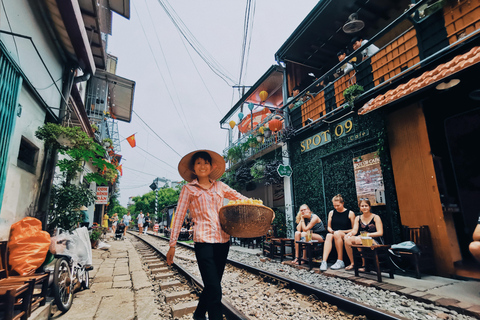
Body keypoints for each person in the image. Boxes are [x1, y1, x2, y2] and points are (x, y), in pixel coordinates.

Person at [166, 149, 250, 320]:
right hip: (203, 242)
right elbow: (180, 216)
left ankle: (198, 314)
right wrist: (172, 245)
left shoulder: (220, 186)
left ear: (212, 167)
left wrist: (255, 205)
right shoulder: (188, 189)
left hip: (222, 240)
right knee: (214, 288)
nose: (202, 166)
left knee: (213, 285)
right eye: (198, 163)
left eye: (206, 162)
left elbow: (240, 198)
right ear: (193, 168)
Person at [344, 198, 384, 271]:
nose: (364, 207)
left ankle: (365, 265)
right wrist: (349, 234)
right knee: (347, 239)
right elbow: (355, 231)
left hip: (374, 240)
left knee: (359, 239)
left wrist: (367, 235)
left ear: (369, 207)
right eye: (362, 206)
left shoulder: (376, 217)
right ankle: (352, 263)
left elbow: (380, 233)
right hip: (362, 238)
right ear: (359, 207)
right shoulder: (358, 218)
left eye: (366, 206)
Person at [320, 194, 355, 271]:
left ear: (342, 203)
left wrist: (340, 231)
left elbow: (353, 229)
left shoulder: (350, 213)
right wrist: (332, 231)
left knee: (337, 233)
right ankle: (324, 261)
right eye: (334, 205)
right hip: (334, 233)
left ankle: (340, 260)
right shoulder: (331, 213)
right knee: (329, 235)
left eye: (338, 205)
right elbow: (329, 227)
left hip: (345, 234)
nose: (336, 207)